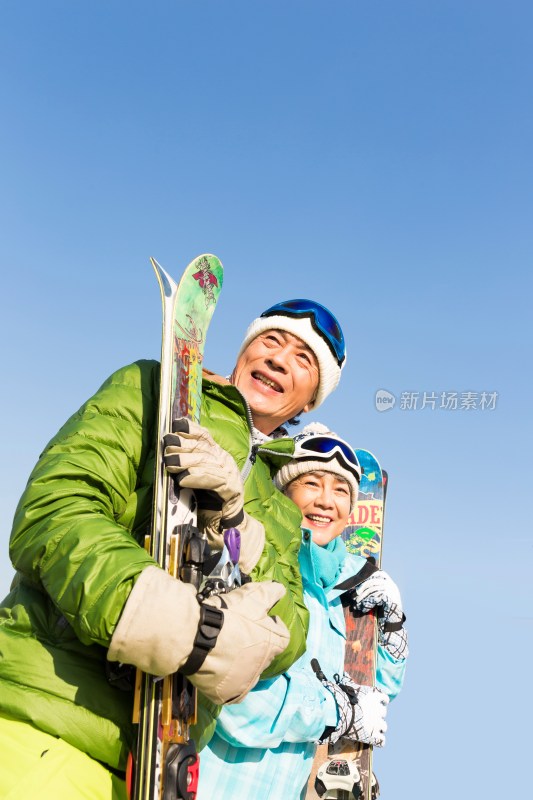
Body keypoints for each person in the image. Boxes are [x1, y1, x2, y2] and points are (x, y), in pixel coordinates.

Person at [0, 297, 347, 799]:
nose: (278, 359)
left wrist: (237, 526)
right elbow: (54, 511)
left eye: (303, 359)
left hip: (160, 764)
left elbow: (288, 631)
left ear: (311, 398)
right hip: (47, 718)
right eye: (270, 341)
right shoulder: (150, 388)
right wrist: (178, 623)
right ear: (245, 349)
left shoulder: (279, 508)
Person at [197, 424, 408, 800]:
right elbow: (234, 711)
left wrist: (392, 627)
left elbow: (375, 696)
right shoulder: (254, 569)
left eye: (341, 490)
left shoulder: (344, 593)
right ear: (283, 494)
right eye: (311, 483)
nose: (326, 501)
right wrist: (332, 712)